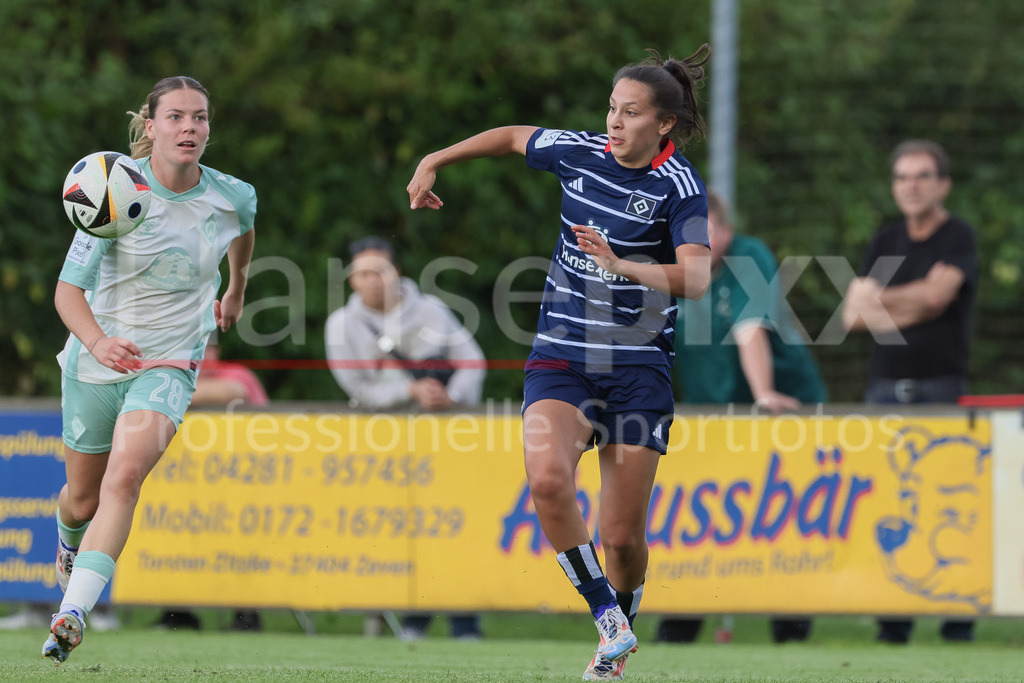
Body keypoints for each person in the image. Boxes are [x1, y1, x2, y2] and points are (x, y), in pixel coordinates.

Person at [406, 46, 713, 680]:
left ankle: (620, 628)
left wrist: (622, 266)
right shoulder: (580, 152)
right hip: (563, 356)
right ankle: (607, 620)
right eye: (611, 108)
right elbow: (513, 136)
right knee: (547, 480)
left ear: (663, 125)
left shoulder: (679, 186)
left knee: (622, 539)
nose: (614, 123)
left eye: (630, 114)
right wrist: (435, 159)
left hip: (638, 368)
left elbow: (699, 278)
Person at [43, 76, 256, 664]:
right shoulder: (112, 191)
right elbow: (66, 294)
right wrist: (98, 341)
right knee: (81, 501)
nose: (190, 128)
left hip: (170, 363)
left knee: (125, 478)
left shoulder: (232, 195)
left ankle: (72, 613)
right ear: (151, 124)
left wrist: (236, 289)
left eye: (201, 118)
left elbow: (245, 230)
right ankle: (66, 544)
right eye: (177, 117)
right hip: (93, 364)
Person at [657, 190, 827, 645]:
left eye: (707, 228)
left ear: (727, 232)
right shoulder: (670, 268)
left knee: (787, 517)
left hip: (780, 407)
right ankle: (679, 628)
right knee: (700, 518)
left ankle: (790, 636)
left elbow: (750, 330)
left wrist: (765, 394)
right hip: (711, 413)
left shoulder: (749, 256)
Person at [842, 139, 978, 644]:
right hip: (883, 390)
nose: (912, 185)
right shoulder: (885, 239)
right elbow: (853, 316)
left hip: (940, 387)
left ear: (942, 184)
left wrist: (883, 298)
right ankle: (891, 622)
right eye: (902, 177)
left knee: (949, 501)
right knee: (888, 501)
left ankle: (956, 623)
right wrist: (915, 299)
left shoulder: (957, 236)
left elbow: (940, 299)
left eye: (922, 176)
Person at [324, 236, 486, 639]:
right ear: (351, 280)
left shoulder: (431, 310)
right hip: (383, 442)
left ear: (396, 272)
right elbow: (358, 389)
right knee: (398, 532)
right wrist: (408, 393)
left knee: (451, 528)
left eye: (379, 270)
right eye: (362, 273)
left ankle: (464, 623)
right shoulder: (342, 326)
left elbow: (473, 362)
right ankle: (409, 620)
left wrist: (452, 397)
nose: (372, 280)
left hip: (442, 437)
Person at [153, 333, 267, 632]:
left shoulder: (236, 373)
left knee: (238, 544)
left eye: (206, 349)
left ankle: (246, 616)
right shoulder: (169, 375)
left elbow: (234, 391)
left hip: (239, 480)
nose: (201, 358)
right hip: (185, 481)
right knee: (176, 540)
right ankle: (177, 614)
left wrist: (175, 390)